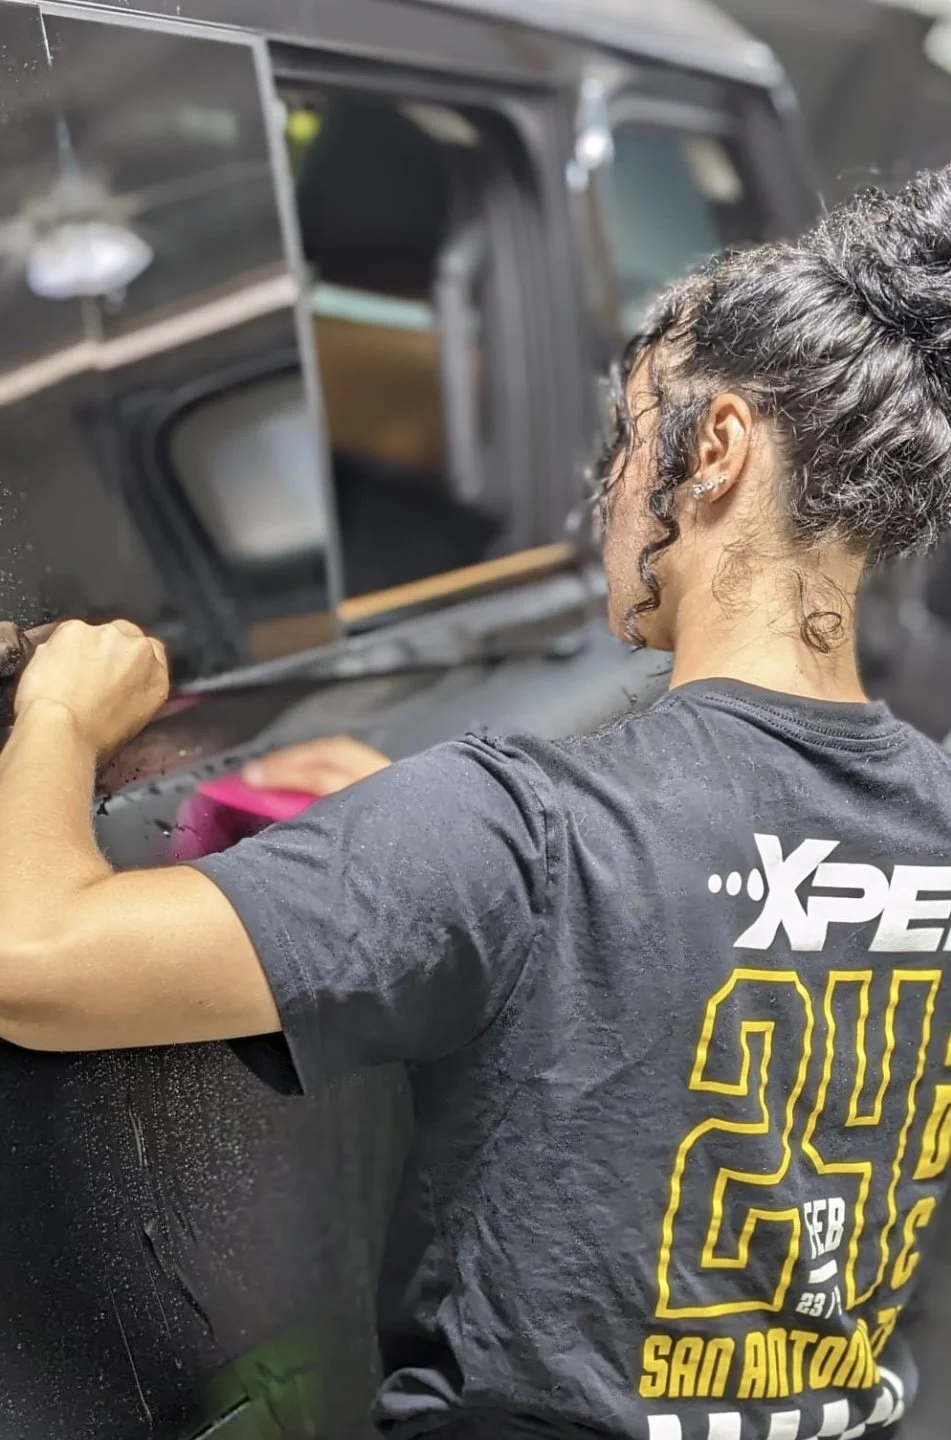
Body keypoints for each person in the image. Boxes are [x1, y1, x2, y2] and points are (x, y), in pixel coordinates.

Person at [4, 169, 951, 1440]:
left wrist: (61, 713)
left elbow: (36, 959)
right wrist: (406, 840)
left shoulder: (521, 834)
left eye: (626, 440)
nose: (609, 489)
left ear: (717, 450)